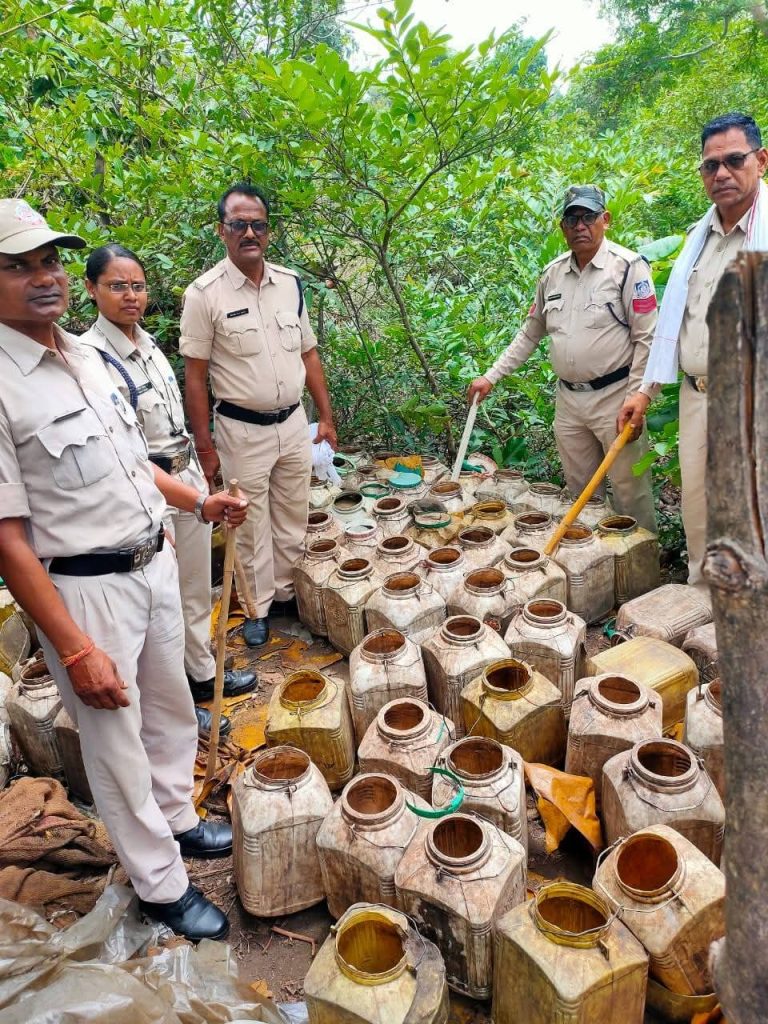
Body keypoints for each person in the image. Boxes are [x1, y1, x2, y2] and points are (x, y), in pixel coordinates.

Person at [0, 199, 248, 941]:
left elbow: (136, 465)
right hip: (88, 588)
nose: (44, 277)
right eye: (17, 267)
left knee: (170, 710)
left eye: (49, 261)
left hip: (152, 562)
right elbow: (7, 539)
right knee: (115, 743)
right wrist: (75, 649)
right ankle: (161, 883)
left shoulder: (85, 356)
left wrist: (199, 503)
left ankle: (178, 820)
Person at [79, 244, 257, 725]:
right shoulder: (91, 359)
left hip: (186, 475)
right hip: (147, 491)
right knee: (163, 600)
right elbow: (125, 454)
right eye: (117, 286)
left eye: (137, 286)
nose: (130, 296)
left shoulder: (149, 344)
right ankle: (178, 705)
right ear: (91, 289)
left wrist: (202, 474)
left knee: (195, 588)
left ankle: (202, 674)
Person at [180, 182, 336, 647]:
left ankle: (288, 596)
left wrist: (325, 417)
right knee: (247, 523)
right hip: (241, 428)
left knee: (293, 512)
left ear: (269, 231)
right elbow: (195, 377)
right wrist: (204, 446)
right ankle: (257, 608)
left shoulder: (289, 284)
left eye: (258, 225)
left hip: (293, 422)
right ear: (222, 231)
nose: (250, 233)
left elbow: (309, 354)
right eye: (239, 224)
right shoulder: (204, 294)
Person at [620, 113, 768, 590]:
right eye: (710, 165)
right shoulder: (699, 238)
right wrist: (645, 392)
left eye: (734, 160)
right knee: (699, 506)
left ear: (761, 160)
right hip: (697, 395)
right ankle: (701, 600)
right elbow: (674, 324)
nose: (721, 173)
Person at [467, 184, 658, 534]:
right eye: (572, 219)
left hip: (617, 398)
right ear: (562, 227)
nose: (580, 226)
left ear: (605, 219)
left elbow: (648, 338)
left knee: (630, 493)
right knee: (581, 494)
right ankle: (592, 561)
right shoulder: (552, 274)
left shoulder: (628, 268)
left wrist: (638, 397)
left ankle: (642, 563)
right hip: (569, 401)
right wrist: (490, 376)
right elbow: (530, 333)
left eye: (588, 217)